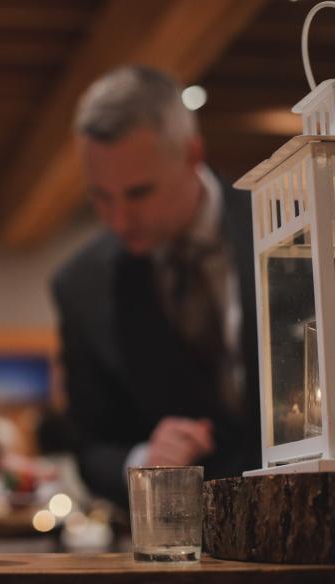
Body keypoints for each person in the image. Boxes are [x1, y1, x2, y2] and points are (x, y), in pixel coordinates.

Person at [52, 65, 261, 507]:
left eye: (139, 193)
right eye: (100, 197)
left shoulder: (287, 224)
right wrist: (145, 457)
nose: (118, 220)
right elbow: (90, 449)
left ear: (192, 155)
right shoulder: (81, 285)